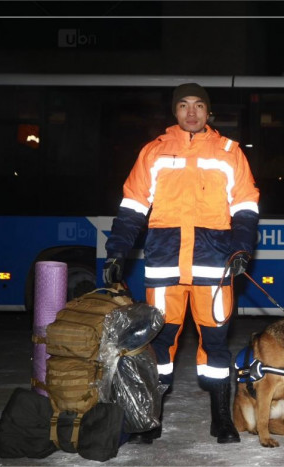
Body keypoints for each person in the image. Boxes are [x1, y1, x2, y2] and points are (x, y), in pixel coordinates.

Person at [103, 83, 259, 444]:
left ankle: (221, 419)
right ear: (175, 112)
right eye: (184, 106)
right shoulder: (153, 152)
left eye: (199, 105)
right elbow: (133, 206)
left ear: (209, 112)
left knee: (216, 344)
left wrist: (240, 250)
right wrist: (117, 251)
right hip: (165, 265)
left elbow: (246, 206)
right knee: (160, 343)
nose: (192, 113)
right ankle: (150, 418)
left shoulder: (230, 152)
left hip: (214, 266)